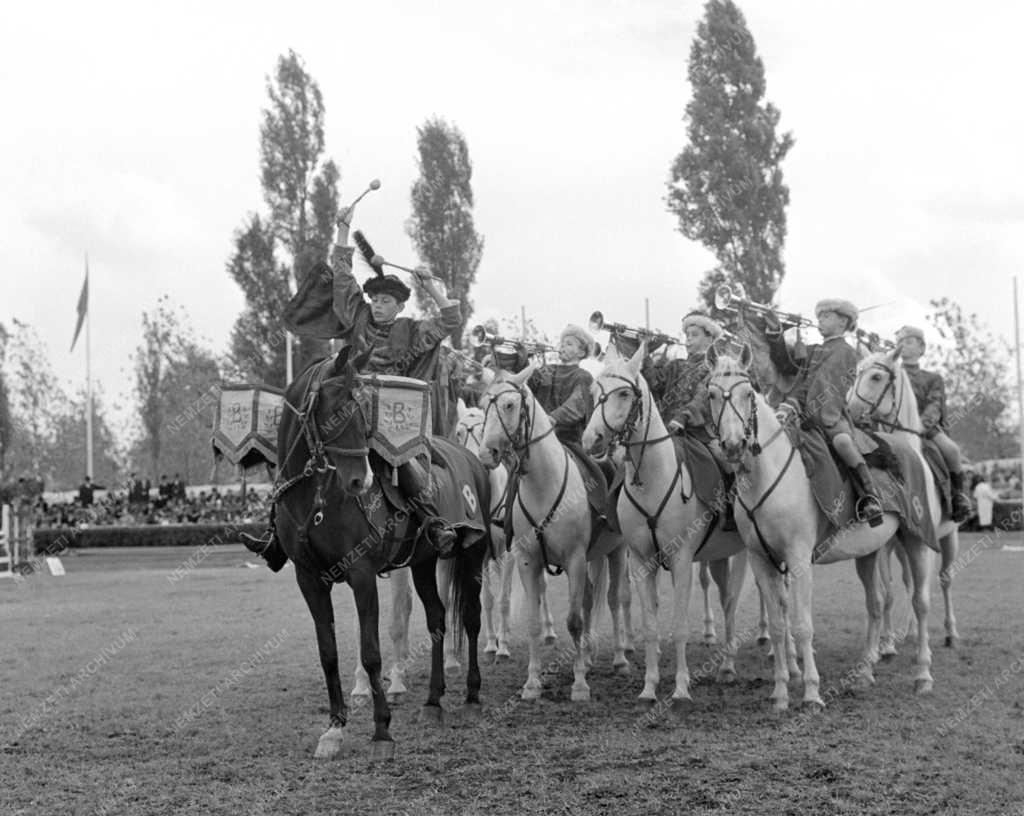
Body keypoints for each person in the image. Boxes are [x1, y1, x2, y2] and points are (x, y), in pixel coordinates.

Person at [243, 199, 462, 569]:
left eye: (386, 300)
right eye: (375, 298)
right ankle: (276, 534)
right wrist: (343, 229)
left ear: (399, 306)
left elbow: (450, 319)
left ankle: (432, 522)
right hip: (346, 410)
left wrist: (431, 286)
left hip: (391, 419)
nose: (377, 304)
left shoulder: (412, 332)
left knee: (404, 464)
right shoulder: (358, 316)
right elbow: (343, 276)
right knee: (295, 446)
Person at [766, 298, 884, 525]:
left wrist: (797, 407)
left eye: (826, 317)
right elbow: (787, 365)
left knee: (843, 443)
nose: (820, 321)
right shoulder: (814, 349)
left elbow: (826, 386)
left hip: (829, 413)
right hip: (798, 408)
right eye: (819, 316)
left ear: (843, 322)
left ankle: (870, 497)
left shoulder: (846, 351)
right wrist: (775, 331)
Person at [643, 310, 737, 530]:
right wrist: (646, 352)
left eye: (694, 335)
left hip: (700, 431)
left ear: (709, 338)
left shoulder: (713, 367)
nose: (688, 341)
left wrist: (683, 418)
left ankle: (731, 510)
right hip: (667, 430)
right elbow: (653, 384)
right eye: (687, 336)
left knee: (726, 461)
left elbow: (701, 399)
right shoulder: (676, 365)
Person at [895, 325, 973, 522]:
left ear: (921, 348)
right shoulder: (893, 374)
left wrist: (920, 426)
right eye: (899, 342)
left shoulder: (932, 378)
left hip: (925, 429)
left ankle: (958, 497)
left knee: (953, 451)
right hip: (894, 428)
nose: (902, 345)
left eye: (908, 341)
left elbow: (934, 405)